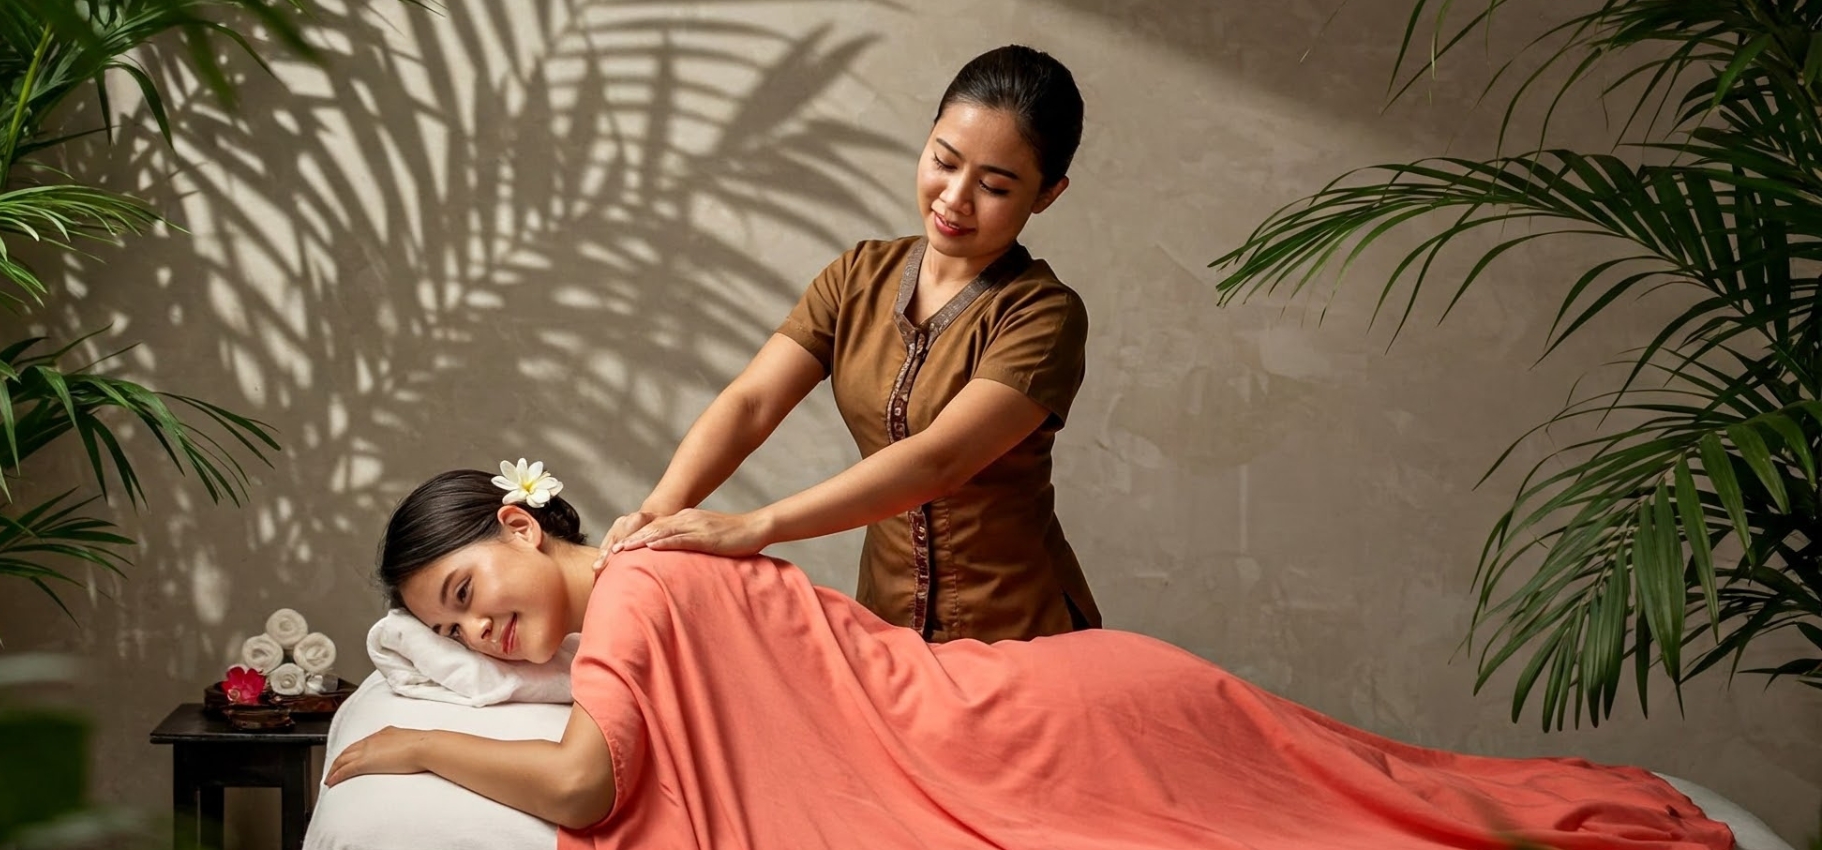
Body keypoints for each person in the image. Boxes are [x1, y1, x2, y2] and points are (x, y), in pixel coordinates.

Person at [327, 465, 1734, 850]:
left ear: (521, 524)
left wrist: (413, 739)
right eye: (448, 633)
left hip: (1020, 728)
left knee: (1335, 810)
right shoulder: (655, 563)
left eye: (465, 591)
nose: (474, 631)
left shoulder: (636, 587)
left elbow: (585, 783)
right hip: (1051, 694)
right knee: (1349, 790)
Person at [596, 45, 1100, 643]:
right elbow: (753, 402)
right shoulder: (859, 275)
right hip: (888, 626)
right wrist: (658, 513)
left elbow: (938, 460)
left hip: (1019, 630)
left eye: (993, 186)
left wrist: (758, 525)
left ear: (1046, 194)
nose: (955, 198)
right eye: (943, 161)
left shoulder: (1043, 315)